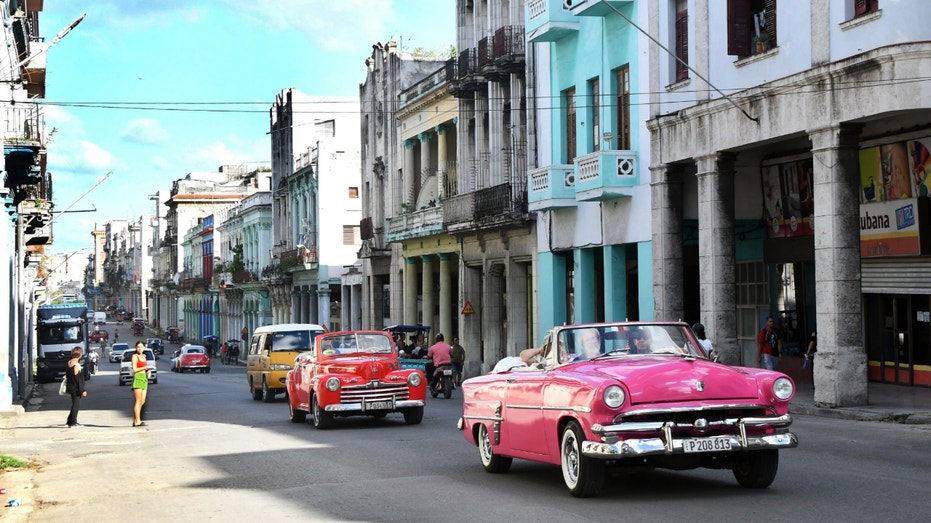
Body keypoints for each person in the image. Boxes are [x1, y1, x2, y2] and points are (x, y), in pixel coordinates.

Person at [65, 346, 87, 428]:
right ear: (80, 355)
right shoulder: (76, 365)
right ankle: (73, 422)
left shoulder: (69, 363)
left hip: (70, 387)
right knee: (76, 405)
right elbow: (78, 380)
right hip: (76, 389)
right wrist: (82, 390)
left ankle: (69, 421)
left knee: (74, 404)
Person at [131, 341, 149, 427]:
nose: (140, 348)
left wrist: (147, 371)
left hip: (144, 378)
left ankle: (136, 419)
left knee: (142, 401)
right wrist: (145, 367)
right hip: (138, 377)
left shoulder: (144, 356)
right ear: (135, 347)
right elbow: (135, 369)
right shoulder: (135, 356)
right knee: (138, 401)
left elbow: (144, 368)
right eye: (138, 347)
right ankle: (137, 421)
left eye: (141, 347)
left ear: (144, 348)